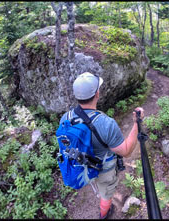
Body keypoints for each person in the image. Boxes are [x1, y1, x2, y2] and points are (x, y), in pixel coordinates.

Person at [59, 72, 144, 219]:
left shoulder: (65, 118)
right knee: (106, 193)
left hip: (81, 165)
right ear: (97, 93)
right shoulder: (106, 123)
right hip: (104, 169)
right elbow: (126, 151)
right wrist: (137, 123)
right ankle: (104, 214)